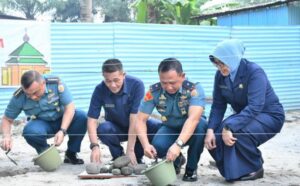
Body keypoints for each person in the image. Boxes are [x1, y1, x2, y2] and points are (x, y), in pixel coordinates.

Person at [204, 39, 285, 181]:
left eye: (222, 62)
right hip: (245, 116)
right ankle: (233, 169)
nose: (219, 67)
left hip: (269, 115)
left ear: (233, 57)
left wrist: (229, 126)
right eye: (216, 63)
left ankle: (255, 167)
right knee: (215, 136)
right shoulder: (220, 76)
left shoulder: (254, 71)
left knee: (236, 133)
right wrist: (210, 130)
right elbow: (218, 105)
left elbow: (255, 106)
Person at [136, 58, 207, 182]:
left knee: (201, 125)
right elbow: (140, 120)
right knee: (157, 145)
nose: (168, 87)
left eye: (172, 82)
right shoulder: (154, 91)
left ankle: (191, 168)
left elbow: (193, 120)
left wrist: (177, 145)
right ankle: (177, 160)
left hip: (192, 128)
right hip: (170, 127)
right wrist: (146, 145)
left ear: (182, 76)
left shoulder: (194, 89)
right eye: (164, 83)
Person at [1, 70, 87, 164]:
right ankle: (46, 152)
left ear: (43, 83)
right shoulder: (19, 97)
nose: (32, 97)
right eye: (28, 94)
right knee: (30, 132)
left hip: (63, 119)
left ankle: (71, 153)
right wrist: (6, 136)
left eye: (35, 93)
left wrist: (62, 130)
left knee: (81, 117)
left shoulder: (56, 84)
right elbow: (7, 119)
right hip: (42, 124)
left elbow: (70, 108)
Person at [87, 58, 161, 164]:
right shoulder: (99, 89)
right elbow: (92, 120)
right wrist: (94, 146)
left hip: (137, 126)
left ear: (123, 75)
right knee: (103, 128)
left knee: (157, 127)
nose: (112, 85)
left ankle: (137, 155)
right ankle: (119, 157)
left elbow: (134, 118)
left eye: (116, 80)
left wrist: (130, 150)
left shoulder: (136, 85)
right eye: (108, 81)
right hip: (117, 128)